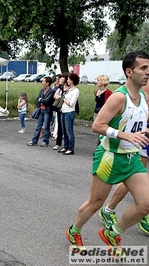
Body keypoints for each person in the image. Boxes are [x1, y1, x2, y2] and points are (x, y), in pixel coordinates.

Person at [65, 51, 149, 258]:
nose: (148, 72)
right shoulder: (119, 97)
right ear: (129, 72)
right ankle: (73, 231)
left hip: (132, 159)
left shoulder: (144, 97)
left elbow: (140, 124)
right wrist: (124, 135)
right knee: (95, 203)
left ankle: (112, 233)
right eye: (143, 68)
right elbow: (97, 126)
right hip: (110, 157)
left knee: (146, 204)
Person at [98, 79, 149, 236]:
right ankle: (109, 210)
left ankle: (143, 208)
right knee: (133, 175)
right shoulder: (144, 86)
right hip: (140, 137)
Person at [27, 76, 54, 147]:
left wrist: (41, 100)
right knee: (38, 126)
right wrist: (41, 101)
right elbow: (37, 99)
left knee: (46, 126)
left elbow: (47, 101)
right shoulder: (42, 91)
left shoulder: (51, 91)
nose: (42, 82)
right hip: (41, 110)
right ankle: (34, 141)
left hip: (47, 111)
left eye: (43, 81)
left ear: (47, 83)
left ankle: (45, 141)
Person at [58, 73, 80, 155]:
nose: (67, 80)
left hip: (69, 112)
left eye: (68, 79)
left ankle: (71, 148)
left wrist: (63, 99)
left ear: (72, 80)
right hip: (63, 111)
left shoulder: (76, 91)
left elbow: (71, 103)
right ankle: (65, 146)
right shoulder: (68, 89)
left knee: (69, 131)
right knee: (64, 130)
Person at [93, 75, 112, 145]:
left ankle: (100, 147)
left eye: (99, 80)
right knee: (97, 132)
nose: (97, 82)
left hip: (103, 114)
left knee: (101, 133)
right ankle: (98, 147)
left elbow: (108, 104)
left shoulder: (108, 92)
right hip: (96, 113)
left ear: (103, 82)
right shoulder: (96, 91)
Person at [52, 74, 67, 150]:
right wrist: (58, 96)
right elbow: (55, 95)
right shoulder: (60, 87)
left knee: (66, 127)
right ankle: (58, 143)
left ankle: (67, 145)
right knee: (60, 126)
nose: (60, 79)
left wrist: (60, 97)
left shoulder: (69, 88)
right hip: (60, 108)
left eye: (62, 78)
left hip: (67, 109)